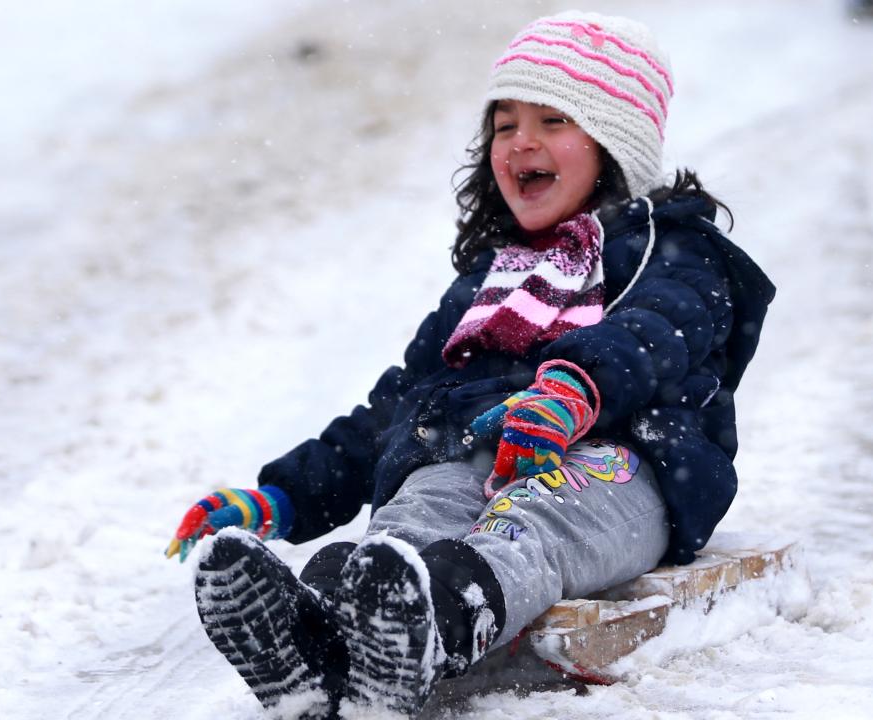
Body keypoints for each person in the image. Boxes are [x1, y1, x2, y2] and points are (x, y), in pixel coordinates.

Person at [166, 10, 775, 719]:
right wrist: (286, 496)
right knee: (409, 517)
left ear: (614, 139)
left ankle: (430, 630)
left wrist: (573, 389)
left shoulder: (668, 251)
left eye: (553, 120)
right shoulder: (493, 279)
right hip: (474, 454)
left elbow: (654, 333)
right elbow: (402, 403)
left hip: (619, 464)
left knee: (533, 523)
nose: (521, 142)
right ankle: (321, 644)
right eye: (505, 123)